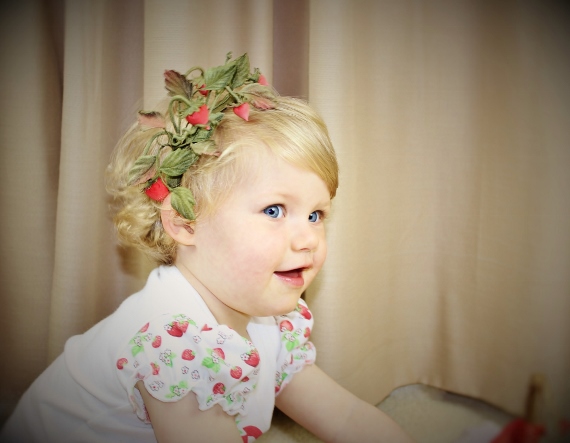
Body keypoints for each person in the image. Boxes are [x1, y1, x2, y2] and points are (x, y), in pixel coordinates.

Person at [1, 54, 414, 443]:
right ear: (184, 224)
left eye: (316, 214)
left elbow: (342, 417)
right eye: (274, 210)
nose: (308, 238)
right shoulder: (173, 339)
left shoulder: (266, 316)